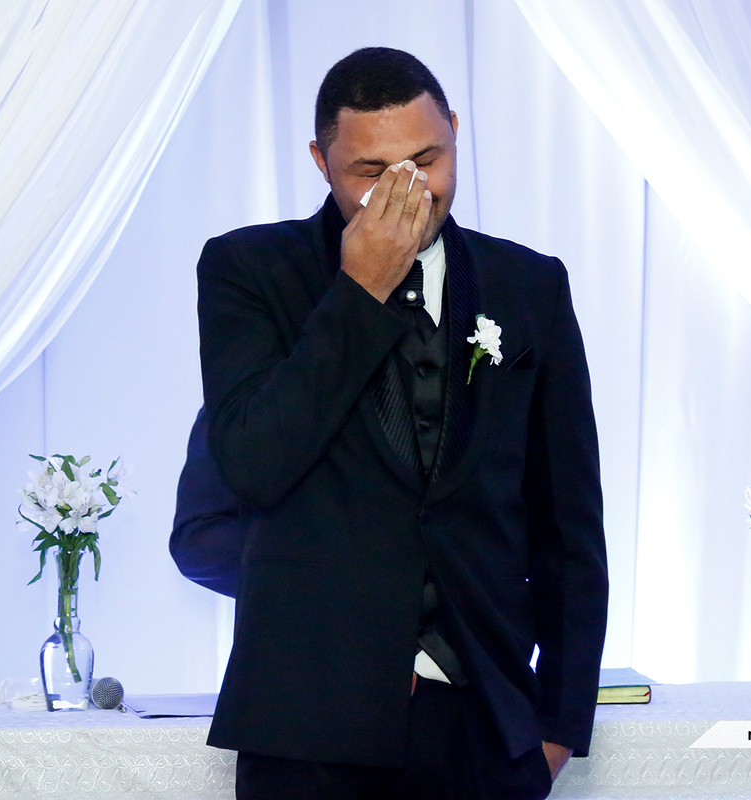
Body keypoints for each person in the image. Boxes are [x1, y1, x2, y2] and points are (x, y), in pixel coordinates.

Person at [186, 46, 608, 800]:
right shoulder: (247, 271)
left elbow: (569, 524)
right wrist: (360, 289)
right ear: (321, 161)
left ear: (456, 130)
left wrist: (558, 725)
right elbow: (252, 463)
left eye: (427, 159)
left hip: (488, 726)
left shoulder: (530, 285)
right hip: (308, 731)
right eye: (373, 171)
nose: (408, 189)